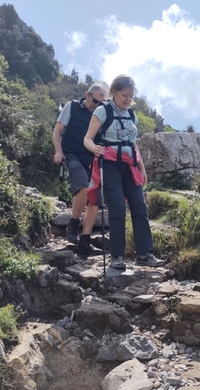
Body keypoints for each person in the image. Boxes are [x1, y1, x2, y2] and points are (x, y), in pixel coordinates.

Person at [83, 74, 165, 270]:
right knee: (117, 209)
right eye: (123, 95)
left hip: (130, 166)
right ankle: (117, 257)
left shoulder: (132, 114)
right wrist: (94, 148)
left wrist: (142, 168)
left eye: (130, 96)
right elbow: (88, 138)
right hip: (110, 166)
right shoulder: (102, 111)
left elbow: (133, 144)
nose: (127, 99)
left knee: (139, 207)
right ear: (113, 92)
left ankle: (145, 254)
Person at [53, 84, 107, 254]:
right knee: (83, 187)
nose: (96, 105)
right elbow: (57, 131)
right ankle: (73, 224)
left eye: (101, 103)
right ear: (87, 95)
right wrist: (58, 151)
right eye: (95, 100)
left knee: (95, 200)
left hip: (93, 159)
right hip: (72, 155)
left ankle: (85, 242)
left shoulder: (101, 114)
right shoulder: (72, 107)